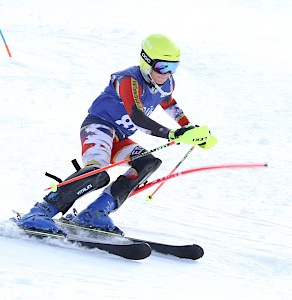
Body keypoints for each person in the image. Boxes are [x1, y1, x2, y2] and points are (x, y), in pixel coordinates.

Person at [16, 33, 217, 235]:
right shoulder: (129, 81)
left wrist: (190, 129)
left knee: (147, 163)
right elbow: (137, 117)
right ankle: (39, 212)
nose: (167, 73)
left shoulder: (166, 82)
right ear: (146, 62)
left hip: (119, 136)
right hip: (98, 127)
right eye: (162, 66)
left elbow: (168, 102)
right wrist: (173, 134)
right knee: (97, 172)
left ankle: (95, 213)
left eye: (173, 67)